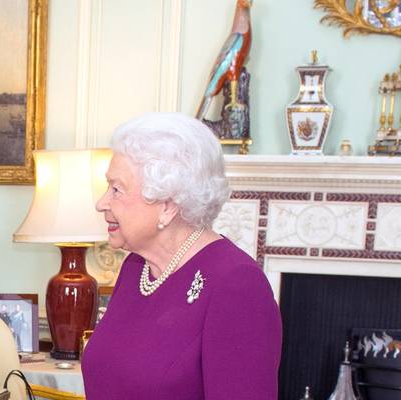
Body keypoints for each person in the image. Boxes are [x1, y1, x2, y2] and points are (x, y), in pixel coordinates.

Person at [82, 113, 281, 399]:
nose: (102, 203)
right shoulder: (136, 268)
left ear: (167, 204)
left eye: (117, 189)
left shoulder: (237, 285)